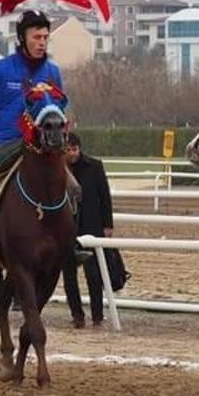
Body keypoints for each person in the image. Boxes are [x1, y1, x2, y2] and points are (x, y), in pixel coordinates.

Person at [0, 10, 68, 261]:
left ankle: (72, 244)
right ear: (22, 38)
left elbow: (60, 109)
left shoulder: (53, 72)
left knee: (74, 186)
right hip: (3, 144)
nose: (41, 42)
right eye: (36, 37)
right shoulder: (2, 69)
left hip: (41, 148)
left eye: (45, 37)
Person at [61, 133, 113, 327]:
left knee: (94, 275)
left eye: (74, 149)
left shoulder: (95, 166)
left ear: (79, 148)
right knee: (69, 275)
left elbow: (105, 197)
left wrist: (108, 225)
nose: (72, 153)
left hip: (92, 226)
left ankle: (97, 316)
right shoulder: (58, 169)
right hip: (66, 229)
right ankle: (77, 315)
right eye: (68, 150)